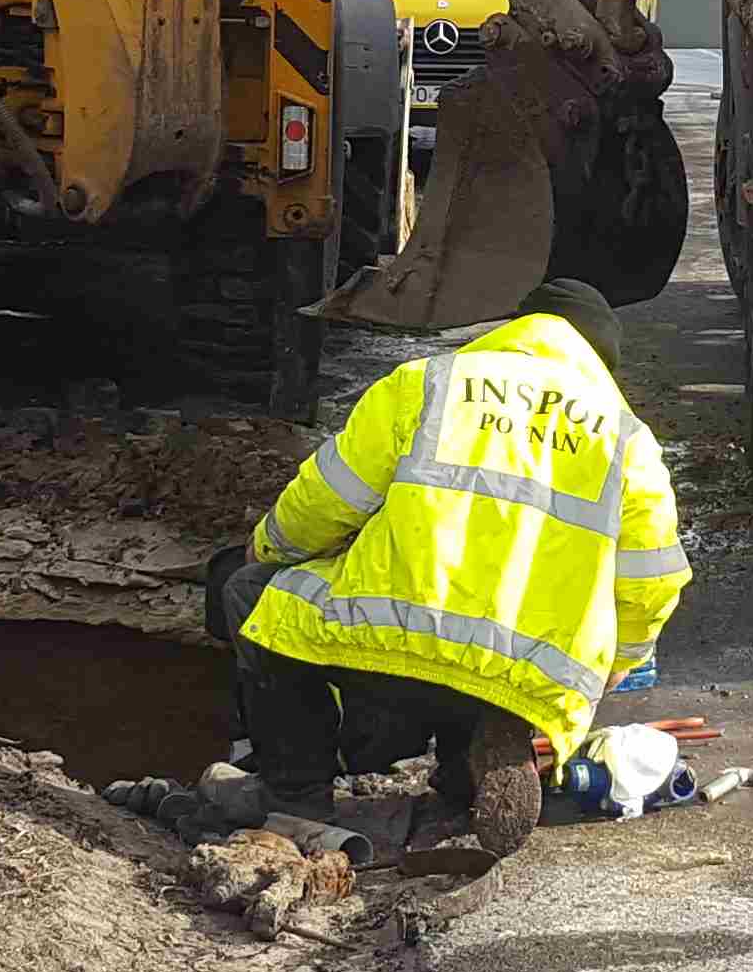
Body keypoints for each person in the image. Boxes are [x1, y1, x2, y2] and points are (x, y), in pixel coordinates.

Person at [226, 278, 686, 871]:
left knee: (251, 597)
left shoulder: (427, 385)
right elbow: (653, 579)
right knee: (489, 667)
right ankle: (468, 768)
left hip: (389, 648)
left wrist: (267, 548)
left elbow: (326, 501)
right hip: (521, 677)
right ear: (600, 360)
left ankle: (296, 797)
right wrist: (619, 661)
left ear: (514, 328)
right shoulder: (629, 440)